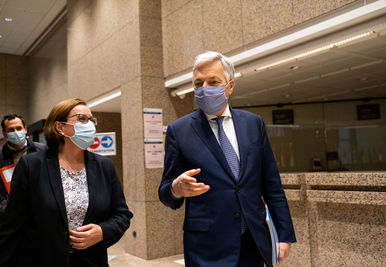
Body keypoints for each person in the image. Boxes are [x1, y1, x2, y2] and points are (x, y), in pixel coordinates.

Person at [159, 51, 296, 267]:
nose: (204, 89)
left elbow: (272, 185)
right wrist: (176, 188)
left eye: (213, 82)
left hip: (253, 240)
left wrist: (284, 233)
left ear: (230, 86)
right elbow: (165, 191)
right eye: (198, 83)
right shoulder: (179, 130)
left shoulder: (253, 124)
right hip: (207, 248)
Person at [0, 98, 133, 267]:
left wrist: (102, 232)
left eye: (91, 120)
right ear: (60, 127)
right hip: (44, 259)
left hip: (92, 261)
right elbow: (12, 226)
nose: (89, 125)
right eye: (82, 119)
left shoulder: (104, 166)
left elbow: (122, 215)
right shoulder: (32, 165)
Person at [0, 114, 46, 219]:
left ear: (25, 129)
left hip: (40, 213)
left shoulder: (43, 151)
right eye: (11, 130)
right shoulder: (1, 157)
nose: (16, 132)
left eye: (19, 128)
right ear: (4, 134)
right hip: (11, 216)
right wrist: (9, 210)